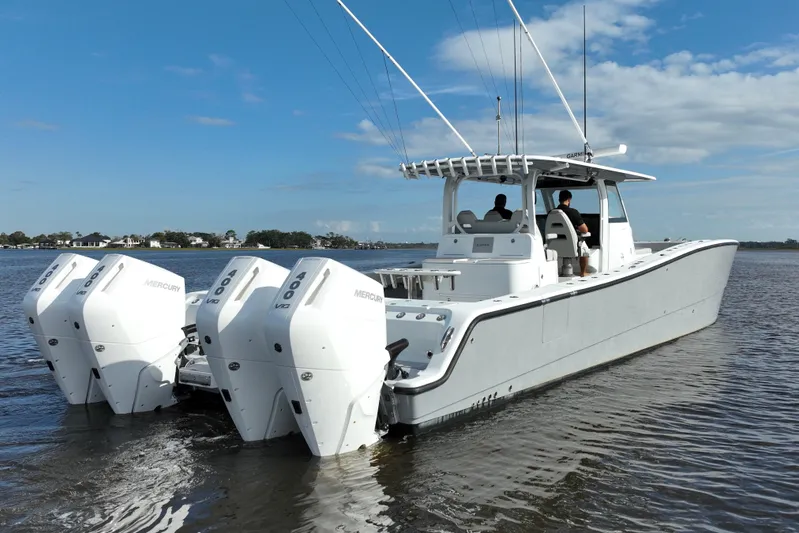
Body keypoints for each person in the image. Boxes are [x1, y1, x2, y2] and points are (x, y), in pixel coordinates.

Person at [556, 190, 590, 276]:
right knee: (585, 249)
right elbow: (585, 230)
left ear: (559, 199)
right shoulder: (573, 212)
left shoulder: (552, 212)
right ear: (569, 199)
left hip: (554, 243)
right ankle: (583, 272)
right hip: (571, 243)